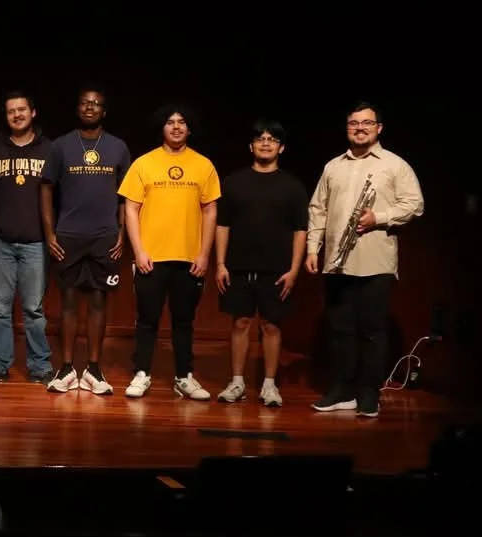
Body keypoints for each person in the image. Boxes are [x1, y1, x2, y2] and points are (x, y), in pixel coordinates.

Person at [306, 101, 424, 418]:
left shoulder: (395, 165)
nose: (360, 128)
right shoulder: (333, 166)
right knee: (340, 329)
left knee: (372, 330)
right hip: (336, 262)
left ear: (379, 128)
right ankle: (343, 390)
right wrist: (313, 248)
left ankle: (369, 393)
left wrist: (379, 217)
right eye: (354, 123)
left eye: (367, 123)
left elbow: (414, 204)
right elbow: (318, 209)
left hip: (375, 261)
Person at [119, 103, 220, 401]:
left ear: (190, 129)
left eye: (182, 122)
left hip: (189, 259)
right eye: (170, 122)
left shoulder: (203, 165)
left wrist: (204, 254)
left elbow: (210, 211)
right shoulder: (144, 163)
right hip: (151, 258)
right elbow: (131, 209)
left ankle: (184, 377)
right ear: (161, 128)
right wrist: (138, 251)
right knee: (147, 320)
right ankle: (142, 373)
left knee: (184, 322)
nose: (176, 127)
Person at [41, 85, 131, 394]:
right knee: (67, 302)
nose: (90, 107)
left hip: (104, 237)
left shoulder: (118, 147)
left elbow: (126, 196)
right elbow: (46, 188)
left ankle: (93, 368)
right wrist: (50, 232)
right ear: (77, 108)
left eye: (96, 103)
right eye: (84, 103)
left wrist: (122, 232)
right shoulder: (61, 146)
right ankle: (66, 367)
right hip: (68, 236)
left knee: (98, 301)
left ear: (104, 111)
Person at [214, 119, 308, 407]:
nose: (266, 143)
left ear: (282, 147)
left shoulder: (293, 187)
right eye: (260, 138)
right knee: (240, 322)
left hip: (277, 269)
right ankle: (237, 382)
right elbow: (222, 225)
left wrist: (294, 270)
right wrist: (220, 264)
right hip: (238, 266)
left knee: (271, 325)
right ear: (251, 146)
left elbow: (301, 230)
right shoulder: (233, 182)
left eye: (272, 139)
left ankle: (269, 385)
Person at [0, 90, 54, 385]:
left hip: (36, 242)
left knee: (34, 309)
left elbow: (58, 195)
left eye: (22, 109)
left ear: (33, 113)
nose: (17, 115)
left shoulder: (50, 149)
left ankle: (40, 366)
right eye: (11, 111)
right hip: (1, 242)